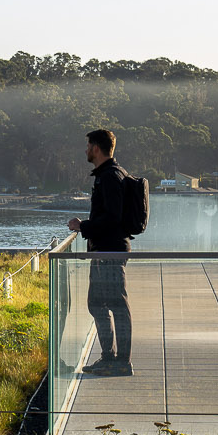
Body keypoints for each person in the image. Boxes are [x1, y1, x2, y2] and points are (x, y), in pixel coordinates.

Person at [67, 128, 133, 375]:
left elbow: (113, 218)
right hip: (104, 250)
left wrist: (83, 226)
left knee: (116, 304)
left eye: (87, 146)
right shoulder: (109, 175)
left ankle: (120, 362)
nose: (85, 150)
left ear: (96, 148)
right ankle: (109, 358)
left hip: (110, 252)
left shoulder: (110, 177)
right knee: (99, 303)